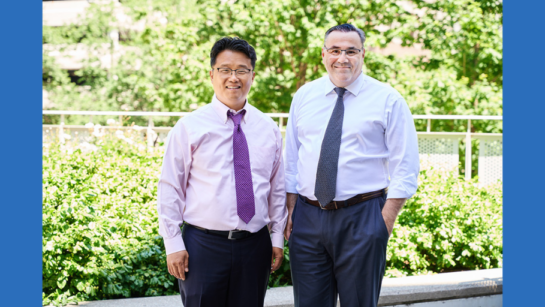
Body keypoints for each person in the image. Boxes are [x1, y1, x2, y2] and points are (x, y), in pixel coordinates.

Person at [283, 24, 420, 307]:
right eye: (335, 50)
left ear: (363, 54)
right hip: (307, 219)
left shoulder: (388, 99)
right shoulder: (304, 97)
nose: (342, 58)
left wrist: (382, 224)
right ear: (323, 55)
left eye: (350, 51)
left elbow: (405, 166)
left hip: (363, 218)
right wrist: (290, 209)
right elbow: (292, 161)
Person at [157, 37, 287, 307]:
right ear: (211, 74)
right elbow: (170, 186)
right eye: (225, 70)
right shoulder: (189, 126)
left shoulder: (268, 128)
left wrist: (276, 237)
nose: (233, 78)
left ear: (252, 75)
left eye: (242, 70)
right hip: (202, 247)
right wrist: (173, 243)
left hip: (255, 245)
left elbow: (276, 189)